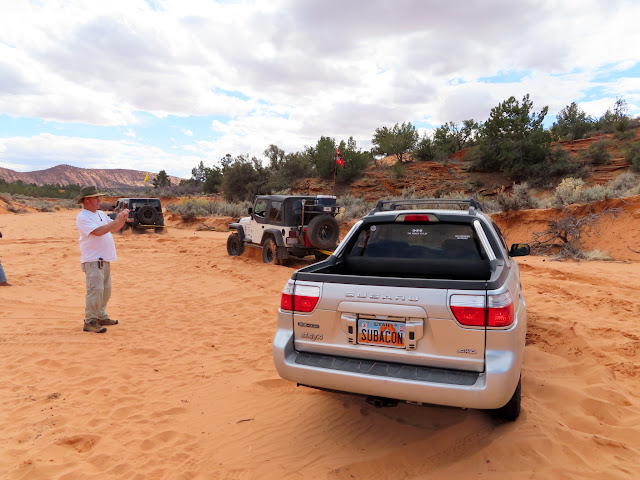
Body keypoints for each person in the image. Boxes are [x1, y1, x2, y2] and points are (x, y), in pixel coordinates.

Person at [76, 185, 129, 333]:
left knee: (105, 291)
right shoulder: (83, 217)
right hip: (93, 261)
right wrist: (116, 219)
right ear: (87, 199)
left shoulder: (99, 214)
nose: (99, 199)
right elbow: (98, 232)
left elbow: (114, 228)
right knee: (95, 291)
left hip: (104, 260)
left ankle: (100, 315)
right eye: (96, 197)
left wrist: (122, 219)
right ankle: (90, 321)